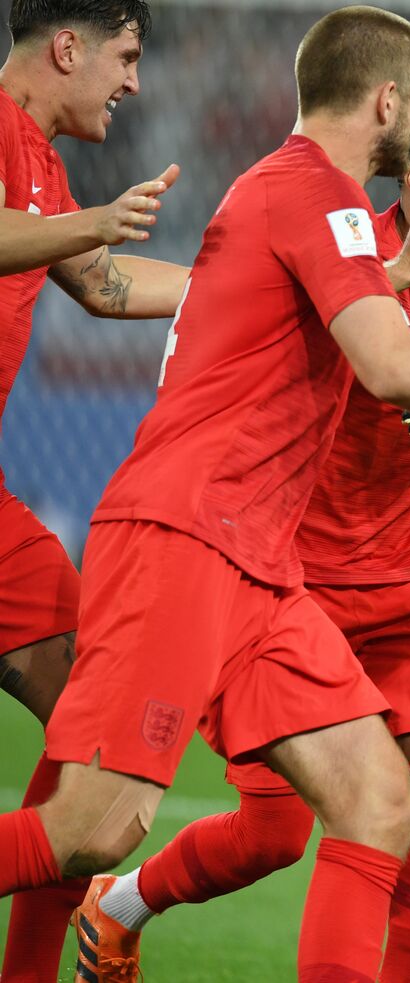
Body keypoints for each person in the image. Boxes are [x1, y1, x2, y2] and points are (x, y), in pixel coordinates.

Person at [0, 9, 410, 983]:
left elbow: (317, 311)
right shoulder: (312, 190)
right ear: (387, 102)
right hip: (187, 534)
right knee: (92, 827)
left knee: (380, 800)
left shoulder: (317, 204)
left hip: (260, 560)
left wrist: (402, 271)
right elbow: (391, 362)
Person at [0, 0, 193, 976]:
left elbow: (102, 281)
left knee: (91, 713)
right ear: (67, 47)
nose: (133, 82)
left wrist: (240, 286)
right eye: (124, 56)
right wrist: (91, 221)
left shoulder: (42, 165)